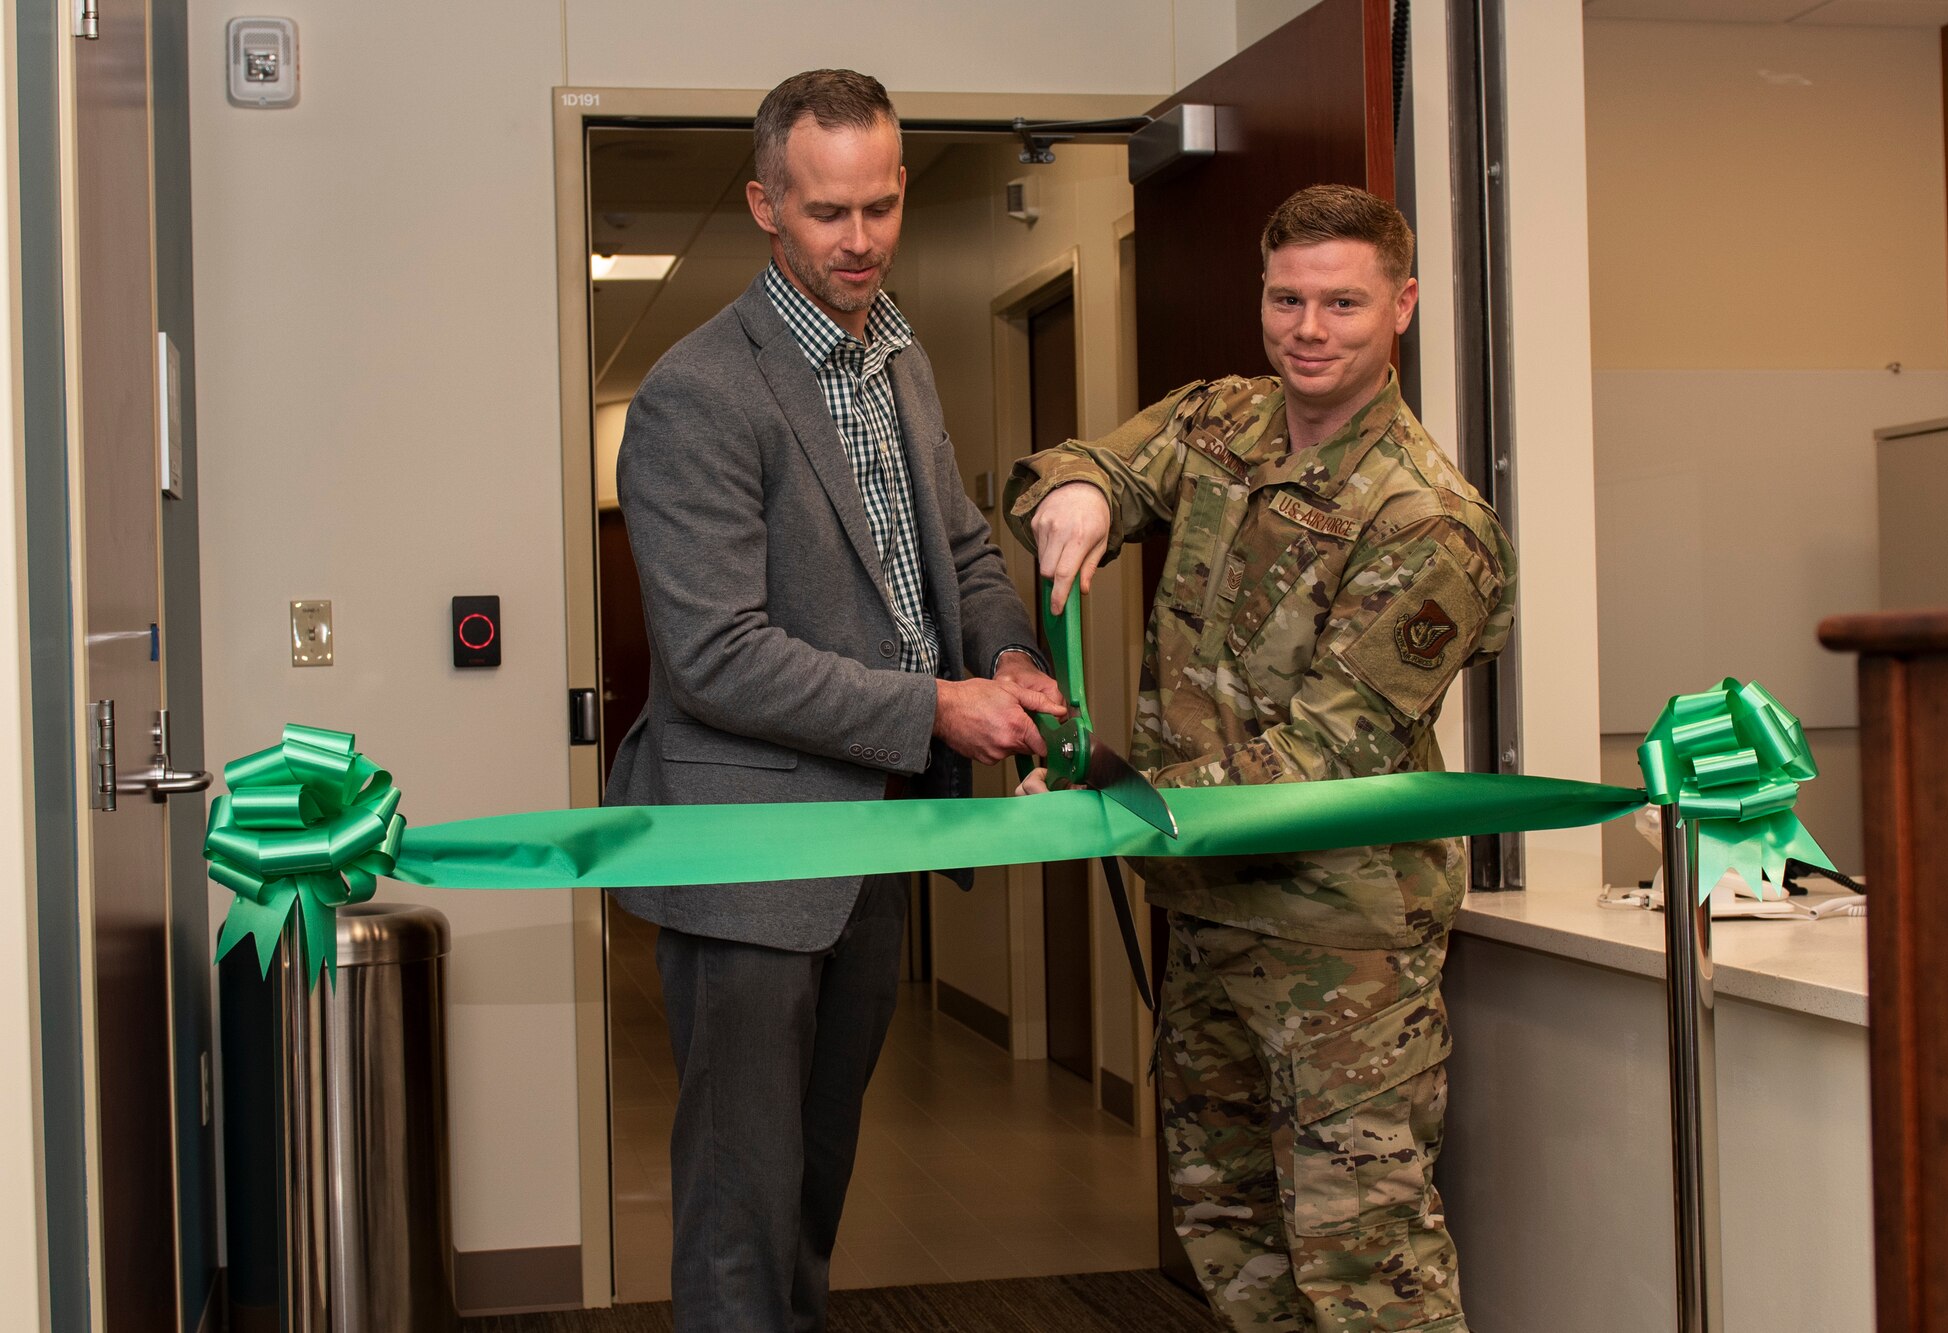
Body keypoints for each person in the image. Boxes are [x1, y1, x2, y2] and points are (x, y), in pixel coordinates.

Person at [1006, 183, 1517, 1332]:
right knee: (1227, 1230)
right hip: (1207, 918)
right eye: (1286, 297)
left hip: (1341, 952)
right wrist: (1083, 488)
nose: (1309, 328)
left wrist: (1111, 799)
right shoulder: (1219, 421)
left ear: (1403, 306)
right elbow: (1093, 463)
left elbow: (1323, 759)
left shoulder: (1428, 522)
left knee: (1363, 1265)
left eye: (1342, 301)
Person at [603, 69, 1061, 1333]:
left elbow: (957, 556)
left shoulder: (896, 358)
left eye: (876, 207)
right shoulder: (700, 394)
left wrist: (1008, 657)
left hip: (868, 840)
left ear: (901, 188)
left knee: (812, 1184)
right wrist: (932, 707)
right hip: (750, 857)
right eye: (824, 214)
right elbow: (717, 656)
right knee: (739, 1204)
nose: (857, 241)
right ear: (763, 204)